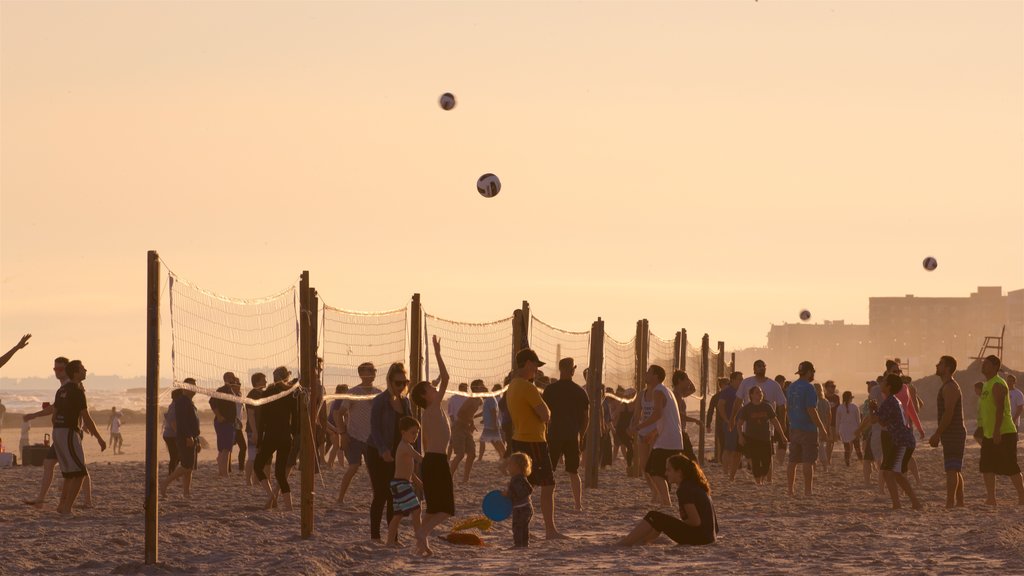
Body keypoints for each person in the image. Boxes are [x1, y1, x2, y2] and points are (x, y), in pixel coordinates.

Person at [506, 348, 566, 539]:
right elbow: (545, 414)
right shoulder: (527, 386)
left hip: (518, 439)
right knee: (548, 485)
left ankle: (525, 529)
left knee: (523, 487)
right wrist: (545, 414)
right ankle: (550, 530)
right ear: (528, 363)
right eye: (535, 366)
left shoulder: (512, 385)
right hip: (533, 440)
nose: (537, 371)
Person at [408, 336, 452, 556]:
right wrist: (437, 353)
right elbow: (445, 378)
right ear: (425, 395)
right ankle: (422, 533)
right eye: (430, 387)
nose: (434, 387)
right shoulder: (432, 408)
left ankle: (421, 546)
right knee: (445, 509)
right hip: (435, 461)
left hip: (434, 461)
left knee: (434, 507)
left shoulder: (433, 408)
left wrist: (437, 352)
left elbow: (443, 379)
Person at [616, 455, 718, 546]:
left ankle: (626, 542)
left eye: (669, 470)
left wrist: (673, 523)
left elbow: (695, 521)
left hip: (699, 539)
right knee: (660, 520)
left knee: (653, 516)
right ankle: (643, 541)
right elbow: (715, 527)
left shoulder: (685, 489)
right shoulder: (695, 486)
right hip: (709, 538)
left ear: (679, 472)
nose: (665, 473)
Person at [52, 360, 106, 515]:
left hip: (59, 431)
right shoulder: (77, 390)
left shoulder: (61, 390)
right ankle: (67, 509)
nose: (85, 370)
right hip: (68, 432)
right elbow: (86, 417)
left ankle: (62, 506)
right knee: (80, 473)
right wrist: (99, 438)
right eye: (83, 369)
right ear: (76, 372)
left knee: (70, 474)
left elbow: (54, 416)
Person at [367, 362, 413, 540]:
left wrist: (412, 452)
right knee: (381, 494)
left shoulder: (405, 401)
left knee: (395, 496)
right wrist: (383, 450)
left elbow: (410, 428)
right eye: (398, 382)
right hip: (377, 452)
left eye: (405, 382)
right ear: (390, 381)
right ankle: (375, 536)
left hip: (397, 454)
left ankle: (392, 537)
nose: (402, 386)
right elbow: (375, 429)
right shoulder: (380, 401)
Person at [542, 358, 590, 512]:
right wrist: (581, 436)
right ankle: (578, 505)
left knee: (549, 472)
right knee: (573, 472)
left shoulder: (550, 389)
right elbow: (586, 417)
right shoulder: (579, 391)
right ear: (572, 370)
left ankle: (547, 501)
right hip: (571, 435)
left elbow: (543, 414)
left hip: (554, 434)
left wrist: (544, 432)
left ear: (560, 368)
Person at [632, 365, 684, 506]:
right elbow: (664, 418)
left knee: (655, 471)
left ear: (656, 376)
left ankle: (666, 501)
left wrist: (639, 427)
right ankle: (664, 499)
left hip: (667, 440)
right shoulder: (663, 390)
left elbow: (657, 414)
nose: (645, 373)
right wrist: (651, 433)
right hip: (668, 438)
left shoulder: (658, 391)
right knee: (653, 469)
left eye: (648, 372)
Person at [976, 355, 1024, 506]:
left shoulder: (998, 383)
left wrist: (997, 431)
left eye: (987, 364)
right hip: (989, 433)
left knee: (1010, 465)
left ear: (995, 366)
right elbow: (985, 410)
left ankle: (1022, 496)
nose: (983, 366)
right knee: (986, 465)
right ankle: (991, 498)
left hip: (1004, 432)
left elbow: (1000, 409)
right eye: (983, 363)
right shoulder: (986, 385)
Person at [23, 356, 71, 507]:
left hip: (67, 432)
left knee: (73, 468)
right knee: (49, 463)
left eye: (60, 369)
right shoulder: (63, 387)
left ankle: (82, 500)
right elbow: (56, 407)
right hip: (60, 432)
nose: (57, 372)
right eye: (55, 369)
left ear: (67, 369)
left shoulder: (70, 387)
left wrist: (35, 414)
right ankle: (41, 500)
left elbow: (62, 408)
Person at [873, 373, 922, 510]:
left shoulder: (890, 401)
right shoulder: (891, 400)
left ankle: (912, 502)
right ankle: (899, 503)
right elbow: (883, 422)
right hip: (901, 441)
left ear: (888, 386)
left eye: (884, 382)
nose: (881, 383)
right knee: (891, 472)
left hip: (902, 442)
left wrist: (873, 410)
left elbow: (877, 420)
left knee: (893, 472)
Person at [253, 367, 299, 510]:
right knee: (280, 474)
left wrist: (259, 440)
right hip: (285, 437)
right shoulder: (290, 393)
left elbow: (262, 421)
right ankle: (289, 507)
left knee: (257, 466)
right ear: (286, 377)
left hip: (271, 436)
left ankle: (271, 497)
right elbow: (296, 417)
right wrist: (293, 433)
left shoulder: (267, 393)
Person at [335, 363, 378, 505]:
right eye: (370, 370)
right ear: (361, 374)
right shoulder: (353, 392)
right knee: (353, 467)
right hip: (354, 436)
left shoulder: (379, 393)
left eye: (374, 370)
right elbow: (338, 414)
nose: (373, 373)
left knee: (373, 470)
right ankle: (340, 498)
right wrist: (343, 434)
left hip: (372, 439)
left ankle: (377, 499)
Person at [736, 361, 787, 480]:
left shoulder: (772, 388)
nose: (760, 368)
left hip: (767, 433)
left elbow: (781, 408)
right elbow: (738, 402)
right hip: (751, 434)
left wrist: (783, 430)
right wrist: (735, 423)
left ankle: (767, 479)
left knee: (768, 459)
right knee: (754, 458)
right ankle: (759, 480)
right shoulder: (746, 386)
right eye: (758, 366)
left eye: (762, 366)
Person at [786, 361, 828, 496]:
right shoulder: (809, 388)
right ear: (809, 372)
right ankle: (807, 491)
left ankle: (790, 490)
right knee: (808, 461)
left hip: (794, 426)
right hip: (807, 428)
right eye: (813, 372)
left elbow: (788, 407)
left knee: (792, 461)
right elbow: (811, 409)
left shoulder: (791, 387)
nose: (813, 374)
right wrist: (821, 427)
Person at [928, 355, 965, 508]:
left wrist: (937, 433)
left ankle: (950, 503)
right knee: (955, 468)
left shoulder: (950, 387)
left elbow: (948, 413)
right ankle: (959, 502)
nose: (937, 365)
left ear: (948, 368)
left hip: (953, 433)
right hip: (952, 433)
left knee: (951, 468)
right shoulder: (948, 386)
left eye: (940, 364)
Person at [386, 417, 424, 547]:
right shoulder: (405, 446)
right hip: (400, 484)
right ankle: (420, 539)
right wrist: (435, 461)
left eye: (417, 433)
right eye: (413, 432)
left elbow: (408, 468)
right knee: (417, 510)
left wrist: (416, 480)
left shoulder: (407, 446)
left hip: (401, 483)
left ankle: (390, 542)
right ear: (403, 432)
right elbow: (419, 458)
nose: (416, 435)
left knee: (397, 515)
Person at [161, 379, 201, 499]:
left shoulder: (188, 401)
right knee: (186, 465)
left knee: (189, 468)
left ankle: (186, 493)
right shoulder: (182, 401)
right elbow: (182, 422)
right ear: (185, 387)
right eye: (191, 386)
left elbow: (192, 422)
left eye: (194, 386)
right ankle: (165, 483)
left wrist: (196, 438)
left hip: (192, 436)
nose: (194, 388)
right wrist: (188, 436)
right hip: (185, 437)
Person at [449, 380, 483, 484]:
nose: (483, 388)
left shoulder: (479, 400)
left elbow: (470, 414)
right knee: (460, 454)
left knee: (472, 454)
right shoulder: (471, 399)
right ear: (476, 388)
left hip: (466, 428)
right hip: (459, 427)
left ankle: (465, 479)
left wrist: (471, 422)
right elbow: (460, 413)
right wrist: (470, 421)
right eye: (481, 386)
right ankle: (449, 477)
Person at [210, 372, 239, 478]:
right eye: (232, 377)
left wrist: (236, 419)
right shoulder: (221, 390)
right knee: (225, 449)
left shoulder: (232, 390)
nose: (234, 379)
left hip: (230, 422)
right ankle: (224, 473)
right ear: (226, 378)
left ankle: (222, 472)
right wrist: (219, 416)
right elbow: (212, 402)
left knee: (224, 449)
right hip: (223, 422)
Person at [505, 452, 534, 548]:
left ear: (517, 466)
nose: (508, 467)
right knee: (524, 527)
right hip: (526, 507)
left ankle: (518, 545)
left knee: (517, 527)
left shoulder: (517, 479)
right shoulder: (520, 478)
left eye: (510, 464)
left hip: (521, 508)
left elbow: (522, 492)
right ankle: (524, 544)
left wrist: (508, 494)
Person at [671, 371, 700, 462]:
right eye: (686, 379)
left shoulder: (680, 393)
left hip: (680, 429)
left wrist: (687, 379)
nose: (688, 381)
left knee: (685, 457)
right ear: (680, 380)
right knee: (691, 458)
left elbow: (693, 389)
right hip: (678, 430)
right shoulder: (676, 395)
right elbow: (678, 414)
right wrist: (695, 420)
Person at [244, 373, 267, 486]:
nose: (266, 381)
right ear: (257, 382)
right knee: (252, 456)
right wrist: (254, 432)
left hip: (261, 429)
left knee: (259, 456)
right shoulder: (252, 395)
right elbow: (250, 415)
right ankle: (248, 481)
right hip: (253, 430)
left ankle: (256, 479)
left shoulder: (263, 394)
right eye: (264, 379)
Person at [719, 371, 743, 480]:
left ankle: (732, 474)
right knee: (728, 448)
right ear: (732, 380)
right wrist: (726, 420)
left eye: (742, 379)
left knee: (738, 450)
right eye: (739, 379)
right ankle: (725, 472)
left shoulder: (742, 391)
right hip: (730, 423)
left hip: (741, 424)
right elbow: (720, 406)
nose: (741, 381)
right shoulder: (727, 391)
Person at [478, 384, 506, 462]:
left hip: (491, 425)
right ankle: (503, 456)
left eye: (480, 392)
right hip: (489, 424)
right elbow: (487, 412)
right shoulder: (488, 399)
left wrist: (494, 424)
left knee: (486, 441)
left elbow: (494, 411)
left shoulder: (490, 398)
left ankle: (480, 458)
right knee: (495, 441)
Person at [834, 391, 862, 466]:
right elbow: (858, 420)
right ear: (850, 398)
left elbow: (837, 421)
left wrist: (837, 432)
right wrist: (860, 430)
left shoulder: (840, 408)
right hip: (854, 429)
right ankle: (862, 462)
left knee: (847, 448)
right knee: (857, 447)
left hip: (844, 429)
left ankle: (847, 462)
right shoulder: (855, 407)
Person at [326, 384, 348, 469]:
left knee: (337, 446)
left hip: (333, 425)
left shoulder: (338, 400)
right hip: (332, 425)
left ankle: (340, 465)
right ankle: (329, 464)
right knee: (336, 446)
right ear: (341, 391)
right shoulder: (339, 400)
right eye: (346, 389)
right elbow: (335, 414)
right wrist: (338, 428)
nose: (348, 391)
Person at [704, 378, 726, 464]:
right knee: (723, 444)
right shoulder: (716, 397)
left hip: (729, 423)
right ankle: (723, 464)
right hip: (721, 424)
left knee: (730, 445)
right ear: (722, 385)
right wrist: (708, 425)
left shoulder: (733, 394)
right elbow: (710, 411)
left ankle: (730, 464)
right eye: (727, 384)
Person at [813, 382, 832, 473]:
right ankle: (824, 466)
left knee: (816, 448)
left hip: (815, 427)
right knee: (821, 447)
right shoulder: (825, 401)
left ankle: (816, 467)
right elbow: (829, 416)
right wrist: (827, 428)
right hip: (823, 427)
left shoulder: (814, 401)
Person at [163, 389, 181, 474]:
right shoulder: (175, 406)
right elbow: (173, 422)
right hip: (171, 435)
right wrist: (179, 434)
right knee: (175, 456)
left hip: (170, 434)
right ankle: (172, 473)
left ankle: (172, 472)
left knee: (176, 455)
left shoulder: (173, 405)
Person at [824, 381, 840, 467]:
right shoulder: (824, 397)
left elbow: (838, 411)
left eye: (834, 386)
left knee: (832, 441)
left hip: (834, 422)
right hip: (826, 422)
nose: (833, 388)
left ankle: (828, 457)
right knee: (828, 441)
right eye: (831, 386)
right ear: (826, 388)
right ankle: (827, 458)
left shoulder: (836, 398)